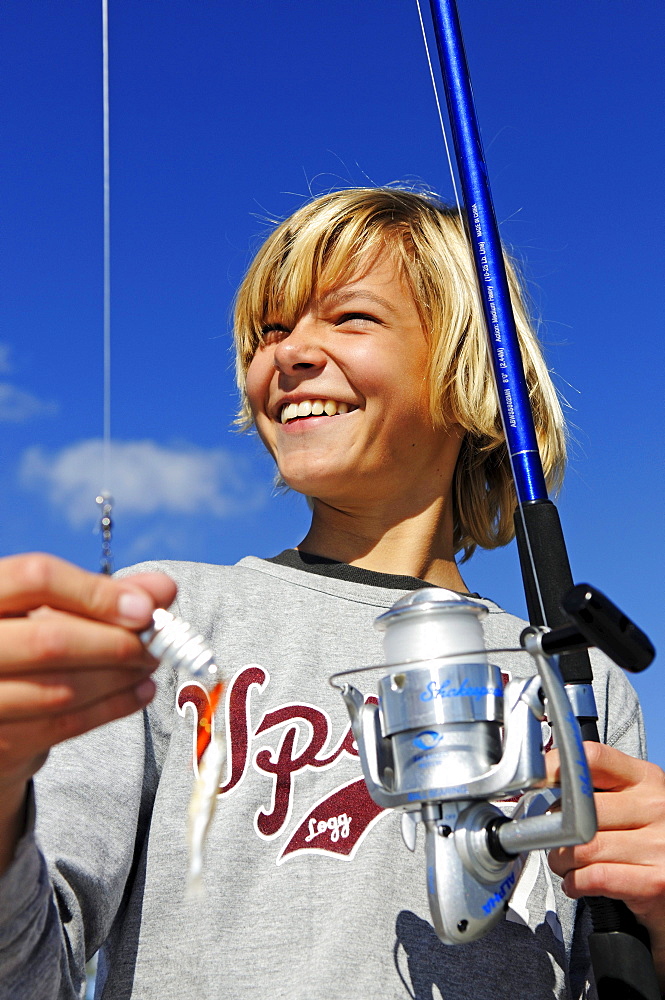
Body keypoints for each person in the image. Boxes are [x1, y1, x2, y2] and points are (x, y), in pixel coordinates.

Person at [0, 187, 663, 1000]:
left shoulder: (584, 685)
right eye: (270, 332)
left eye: (349, 319)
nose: (290, 354)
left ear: (471, 366)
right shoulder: (167, 624)